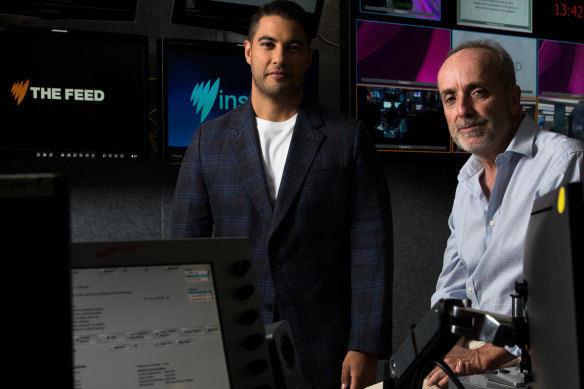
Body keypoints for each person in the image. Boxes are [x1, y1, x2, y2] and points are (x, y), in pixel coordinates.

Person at [170, 1, 394, 388]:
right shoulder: (208, 140)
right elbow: (184, 252)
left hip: (326, 348)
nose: (279, 57)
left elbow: (371, 249)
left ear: (308, 56)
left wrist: (366, 344)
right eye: (268, 44)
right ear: (248, 51)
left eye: (292, 47)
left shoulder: (348, 138)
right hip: (233, 343)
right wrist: (190, 336)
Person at [425, 40, 584, 388]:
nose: (462, 109)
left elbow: (571, 297)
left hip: (542, 365)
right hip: (476, 364)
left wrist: (481, 356)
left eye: (477, 92)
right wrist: (443, 350)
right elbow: (452, 285)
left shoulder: (564, 163)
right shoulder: (466, 182)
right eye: (450, 98)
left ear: (513, 99)